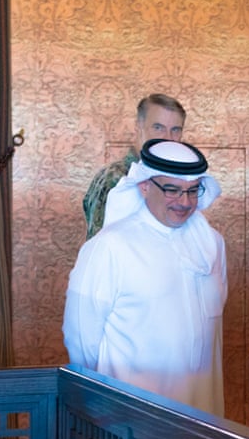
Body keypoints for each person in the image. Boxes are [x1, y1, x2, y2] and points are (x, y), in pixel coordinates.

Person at [64, 139, 227, 416]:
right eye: (173, 190)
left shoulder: (211, 244)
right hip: (130, 419)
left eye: (192, 191)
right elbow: (81, 342)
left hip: (201, 417)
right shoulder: (110, 247)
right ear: (144, 186)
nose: (185, 202)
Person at [83, 93, 186, 239]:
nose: (168, 138)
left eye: (175, 130)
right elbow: (100, 243)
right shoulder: (115, 177)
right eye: (158, 127)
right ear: (139, 127)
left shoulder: (180, 179)